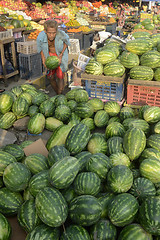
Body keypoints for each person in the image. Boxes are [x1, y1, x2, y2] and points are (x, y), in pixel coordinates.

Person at [37, 19, 70, 95]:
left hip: (59, 55)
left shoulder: (61, 34)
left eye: (54, 33)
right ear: (45, 31)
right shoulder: (41, 37)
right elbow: (41, 49)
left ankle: (60, 93)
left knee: (60, 76)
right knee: (50, 77)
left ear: (56, 31)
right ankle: (58, 94)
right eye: (49, 33)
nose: (51, 35)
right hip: (49, 56)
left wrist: (61, 55)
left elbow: (66, 42)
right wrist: (43, 60)